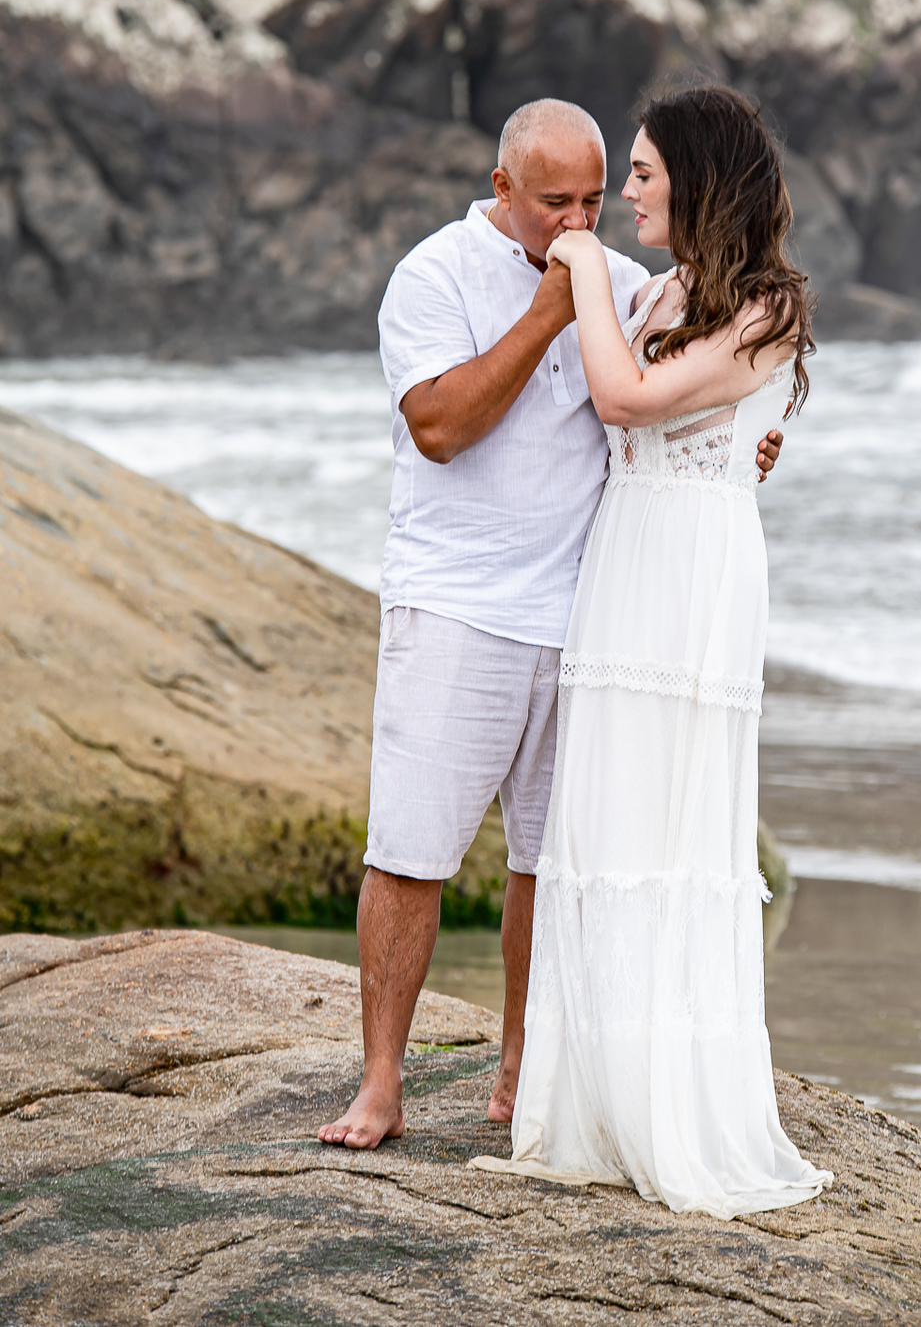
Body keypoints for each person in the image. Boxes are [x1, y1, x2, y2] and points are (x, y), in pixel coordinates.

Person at [318, 97, 783, 1151]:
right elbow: (439, 427)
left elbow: (698, 395)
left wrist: (750, 447)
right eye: (555, 202)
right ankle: (382, 1081)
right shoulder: (433, 277)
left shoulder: (623, 283)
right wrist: (547, 308)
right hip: (458, 603)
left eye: (593, 199)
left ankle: (520, 1068)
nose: (581, 221)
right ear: (501, 190)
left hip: (586, 612)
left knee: (549, 857)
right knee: (409, 850)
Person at [472, 85, 834, 1217]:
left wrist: (576, 267)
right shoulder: (671, 289)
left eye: (639, 172)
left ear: (696, 176)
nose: (620, 193)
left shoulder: (767, 305)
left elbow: (626, 400)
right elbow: (623, 411)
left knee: (671, 829)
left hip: (691, 574)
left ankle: (673, 1109)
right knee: (607, 819)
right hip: (625, 557)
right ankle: (600, 1099)